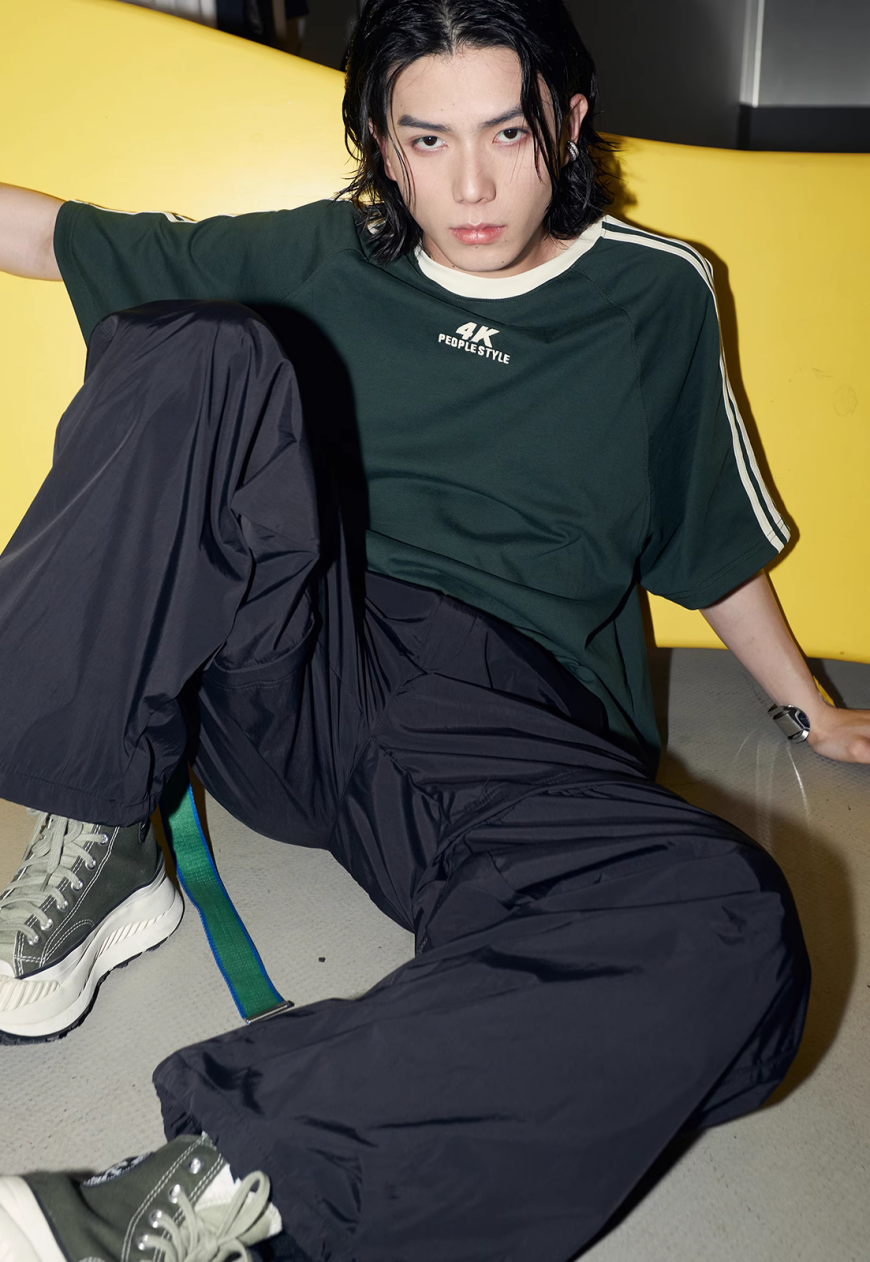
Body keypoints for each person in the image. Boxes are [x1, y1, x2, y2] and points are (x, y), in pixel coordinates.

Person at [0, 0, 867, 1258]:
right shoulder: (326, 253)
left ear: (566, 122)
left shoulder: (655, 291)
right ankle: (98, 826)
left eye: (507, 133)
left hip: (500, 716)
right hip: (297, 650)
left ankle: (208, 1194)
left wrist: (806, 705)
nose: (470, 186)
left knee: (729, 922)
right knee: (191, 350)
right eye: (427, 140)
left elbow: (709, 529)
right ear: (382, 144)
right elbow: (51, 238)